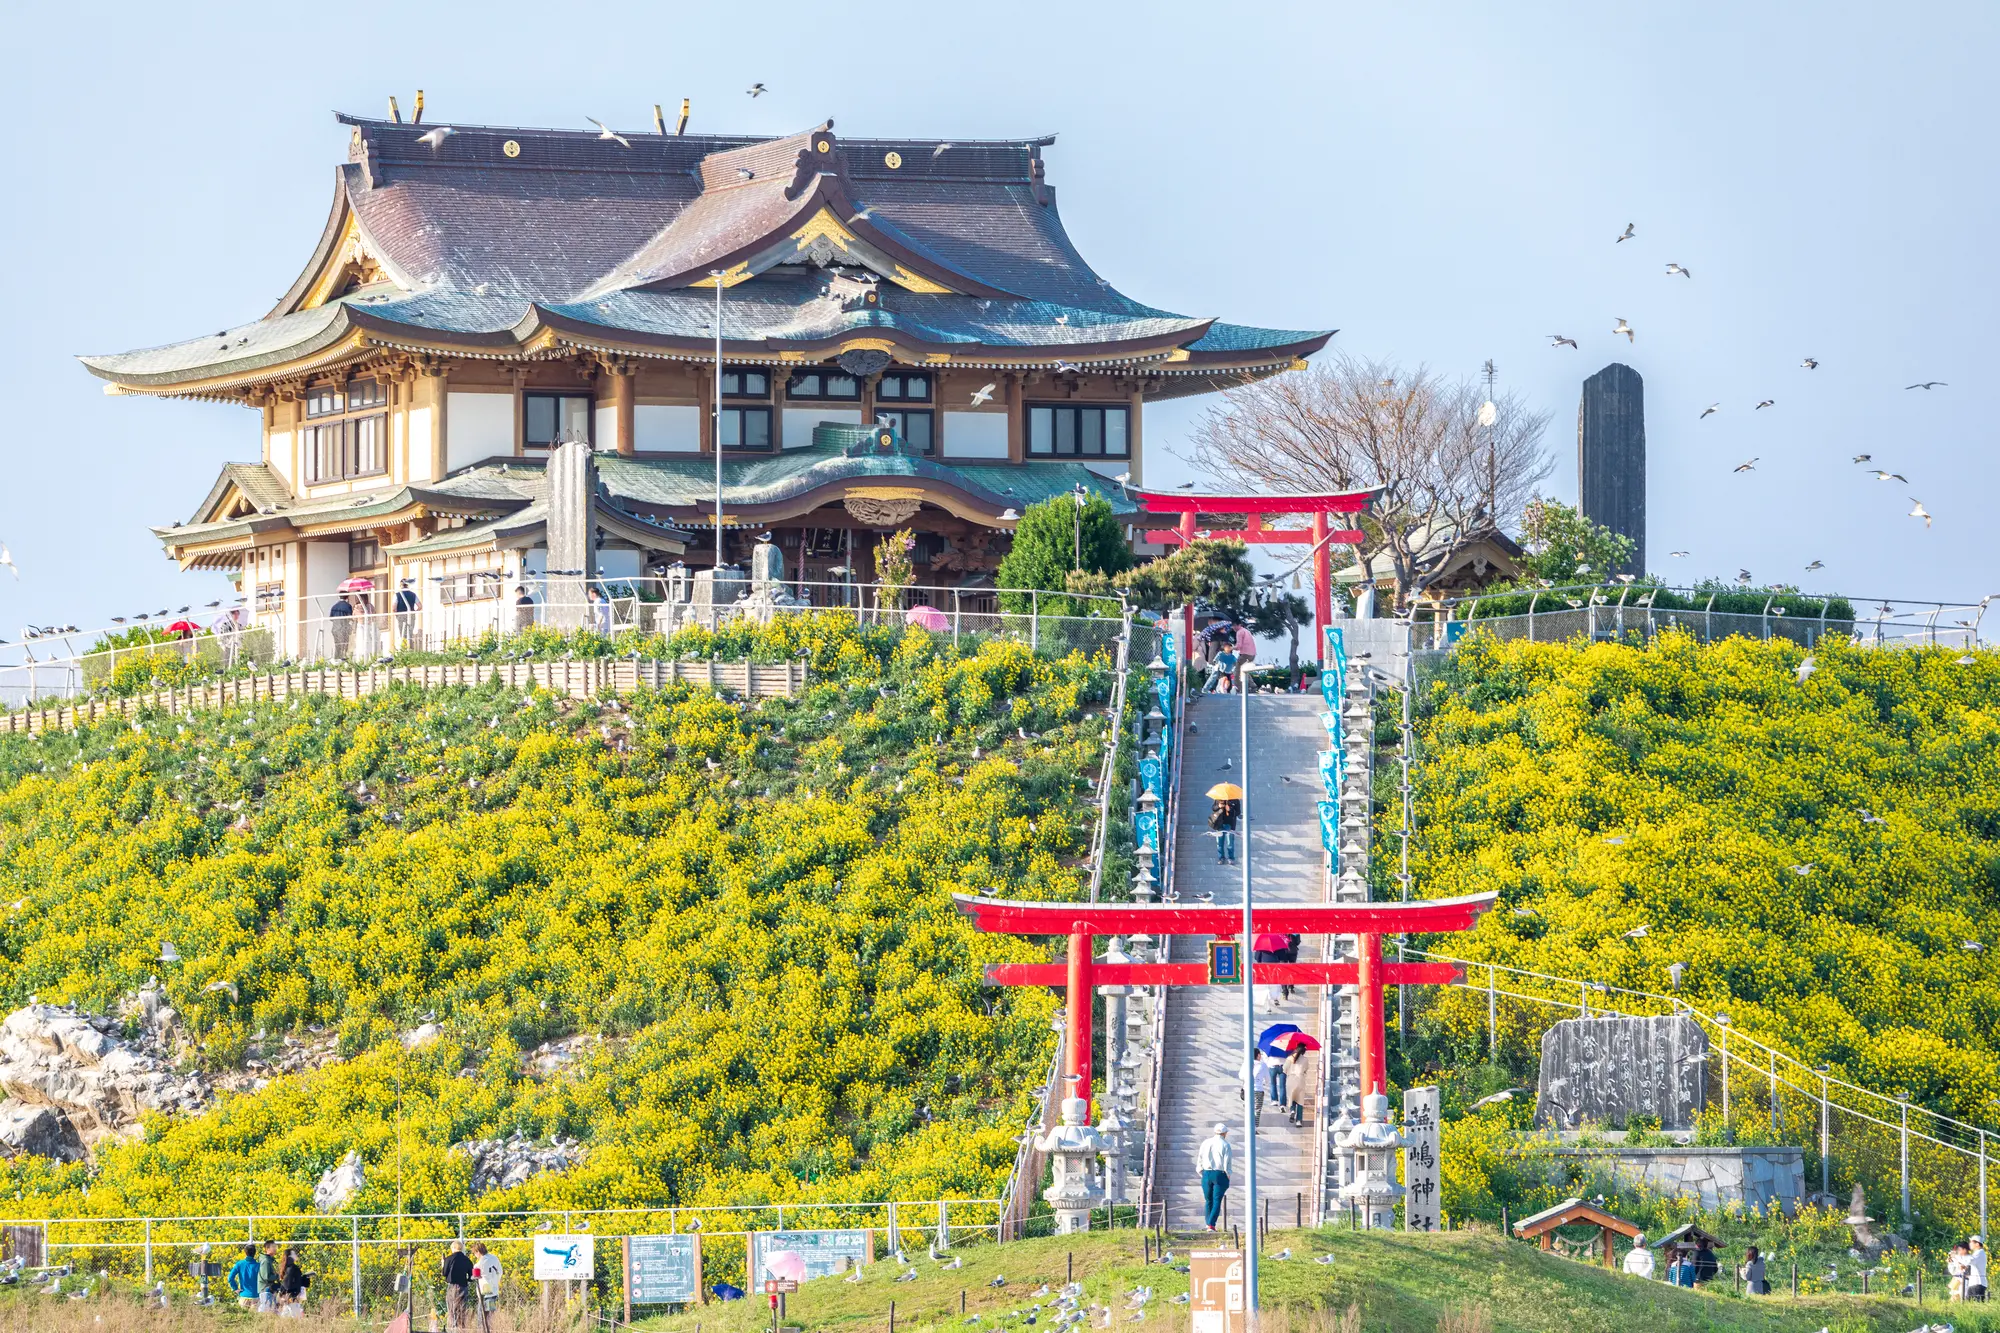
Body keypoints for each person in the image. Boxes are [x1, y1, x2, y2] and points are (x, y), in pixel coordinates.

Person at [1196, 1124, 1232, 1231]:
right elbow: (1227, 1163)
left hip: (1206, 1172)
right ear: (1224, 1133)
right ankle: (1211, 1224)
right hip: (1219, 1173)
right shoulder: (1225, 1144)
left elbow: (1200, 1158)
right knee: (1217, 1200)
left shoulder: (1206, 1142)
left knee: (1208, 1200)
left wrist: (1201, 1171)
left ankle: (1208, 1224)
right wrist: (1228, 1174)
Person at [442, 1239, 475, 1329]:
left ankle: (453, 1327)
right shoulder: (466, 1259)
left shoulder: (449, 1258)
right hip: (463, 1286)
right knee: (462, 1308)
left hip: (452, 1286)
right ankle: (461, 1328)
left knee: (452, 1308)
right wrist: (467, 1279)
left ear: (453, 1248)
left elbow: (444, 1273)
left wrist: (443, 1264)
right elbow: (471, 1274)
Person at [472, 1241, 503, 1332]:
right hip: (493, 1291)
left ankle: (482, 1330)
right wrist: (495, 1280)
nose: (475, 1255)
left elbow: (476, 1276)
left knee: (481, 1316)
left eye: (474, 1253)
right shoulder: (494, 1258)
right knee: (491, 1316)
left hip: (484, 1292)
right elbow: (500, 1272)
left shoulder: (479, 1264)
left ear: (478, 1252)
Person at [227, 1242, 260, 1308]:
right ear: (255, 1253)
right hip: (255, 1296)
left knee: (243, 1317)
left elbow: (230, 1278)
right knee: (255, 1318)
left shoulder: (239, 1264)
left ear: (245, 1252)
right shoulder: (259, 1266)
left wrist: (235, 1288)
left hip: (243, 1296)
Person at [278, 1247, 308, 1318]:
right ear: (290, 1257)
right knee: (296, 1317)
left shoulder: (289, 1267)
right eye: (294, 1254)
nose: (296, 1255)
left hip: (289, 1297)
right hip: (292, 1297)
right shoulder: (292, 1268)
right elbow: (288, 1283)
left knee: (285, 1316)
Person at [1283, 1045, 1309, 1125]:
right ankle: (1298, 1121)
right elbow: (1306, 1069)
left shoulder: (1289, 1058)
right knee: (1300, 1101)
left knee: (1292, 1097)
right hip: (1300, 1080)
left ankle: (1292, 1110)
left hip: (1291, 1079)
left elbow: (1284, 1069)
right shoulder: (1305, 1059)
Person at [1210, 797, 1239, 864]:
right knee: (1219, 843)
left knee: (1230, 843)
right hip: (1219, 824)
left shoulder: (1235, 800)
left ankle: (1231, 858)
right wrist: (1218, 806)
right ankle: (1221, 858)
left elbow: (1238, 812)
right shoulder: (1218, 798)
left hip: (1230, 824)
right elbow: (1213, 808)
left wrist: (1230, 809)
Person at [393, 579, 421, 648]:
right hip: (411, 615)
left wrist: (397, 615)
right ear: (407, 585)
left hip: (401, 615)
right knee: (410, 633)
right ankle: (410, 648)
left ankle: (404, 648)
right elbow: (420, 606)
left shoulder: (397, 595)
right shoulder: (413, 594)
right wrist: (414, 612)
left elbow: (394, 608)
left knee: (402, 633)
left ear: (400, 585)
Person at [327, 593, 355, 660]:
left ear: (339, 597)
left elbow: (331, 619)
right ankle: (344, 661)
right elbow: (350, 618)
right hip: (343, 629)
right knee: (344, 646)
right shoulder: (348, 606)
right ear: (347, 597)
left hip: (335, 629)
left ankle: (336, 661)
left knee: (337, 646)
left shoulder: (334, 606)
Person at [257, 1239, 280, 1313]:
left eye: (275, 1247)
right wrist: (278, 1276)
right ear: (267, 1249)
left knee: (271, 1310)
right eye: (273, 1247)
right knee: (266, 1310)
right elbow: (266, 1277)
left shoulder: (270, 1260)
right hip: (265, 1289)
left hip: (269, 1289)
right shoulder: (266, 1261)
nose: (275, 1249)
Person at [1970, 1235, 1990, 1301]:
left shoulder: (1979, 1253)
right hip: (1974, 1283)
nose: (1969, 1244)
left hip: (1978, 1283)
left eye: (1971, 1242)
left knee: (1976, 1305)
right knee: (1968, 1304)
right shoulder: (1977, 1253)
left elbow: (1970, 1261)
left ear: (1977, 1244)